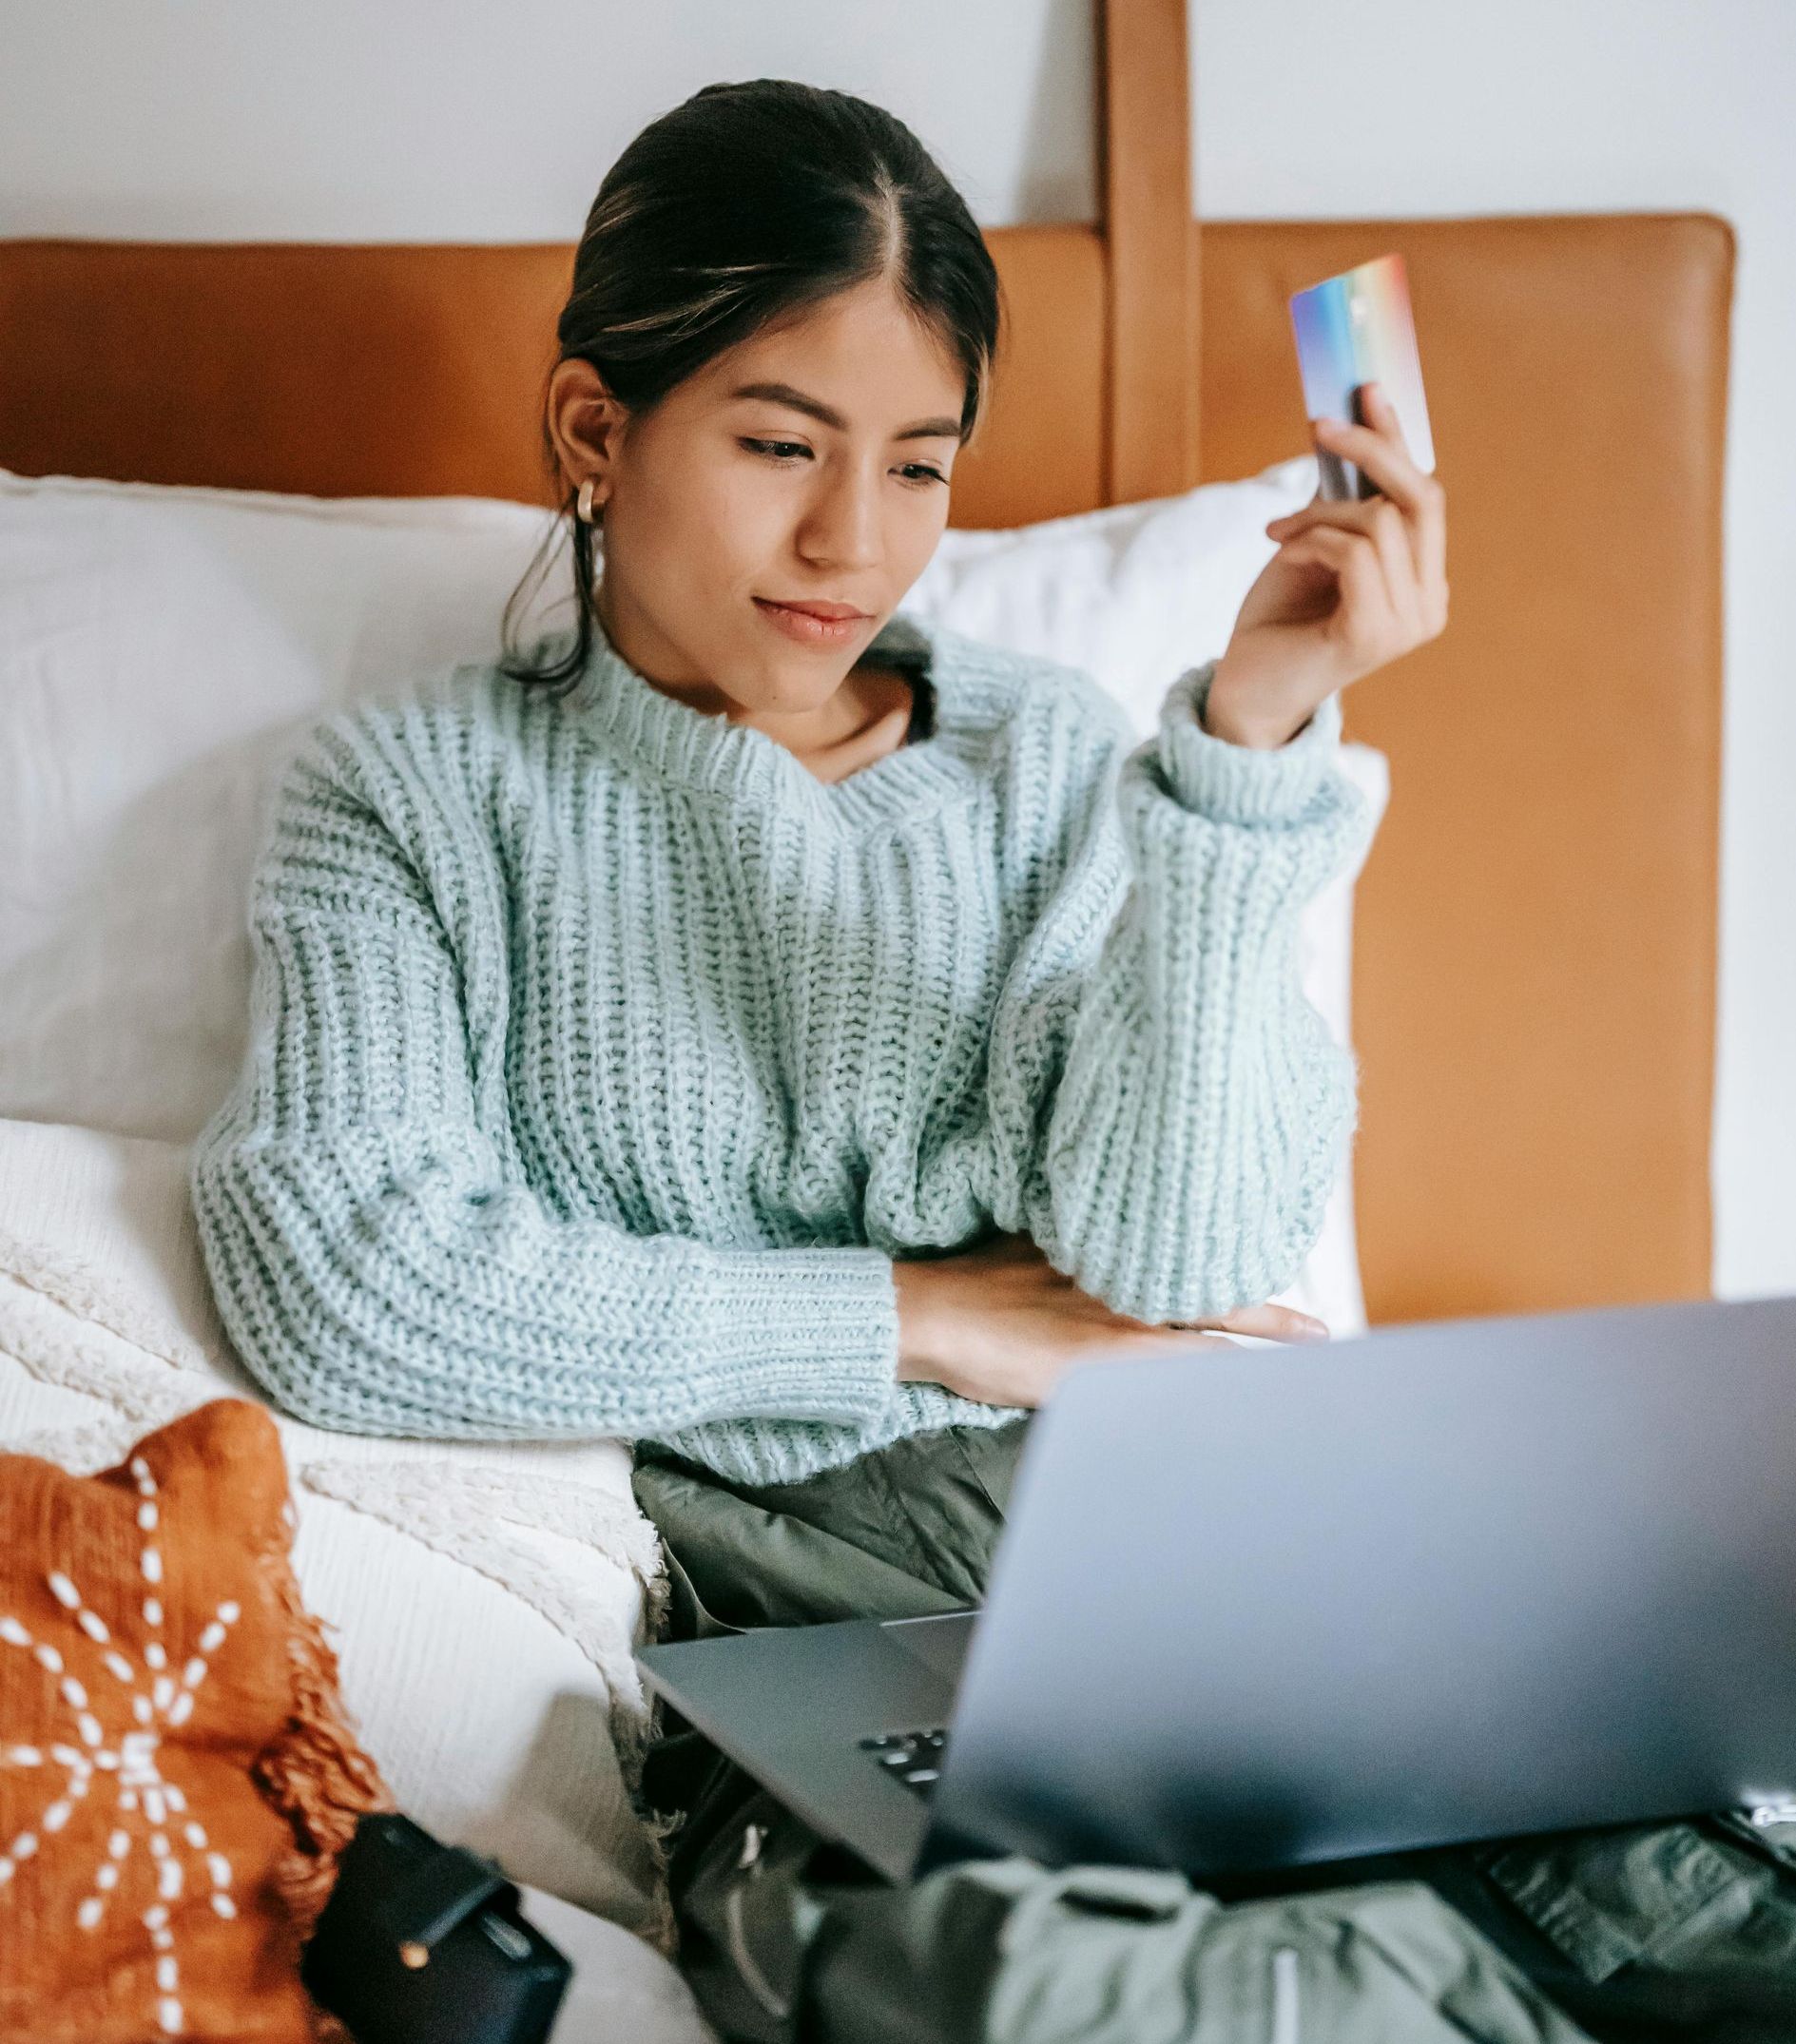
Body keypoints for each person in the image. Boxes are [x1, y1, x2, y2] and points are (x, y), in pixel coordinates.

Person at [190, 77, 1796, 2044]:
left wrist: (1248, 741)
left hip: (1190, 1545)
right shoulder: (412, 795)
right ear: (598, 426)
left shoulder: (1044, 759)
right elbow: (346, 1275)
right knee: (988, 1993)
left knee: (1686, 1901)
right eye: (780, 442)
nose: (852, 540)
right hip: (800, 1620)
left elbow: (1185, 1250)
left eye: (923, 467)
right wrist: (928, 1317)